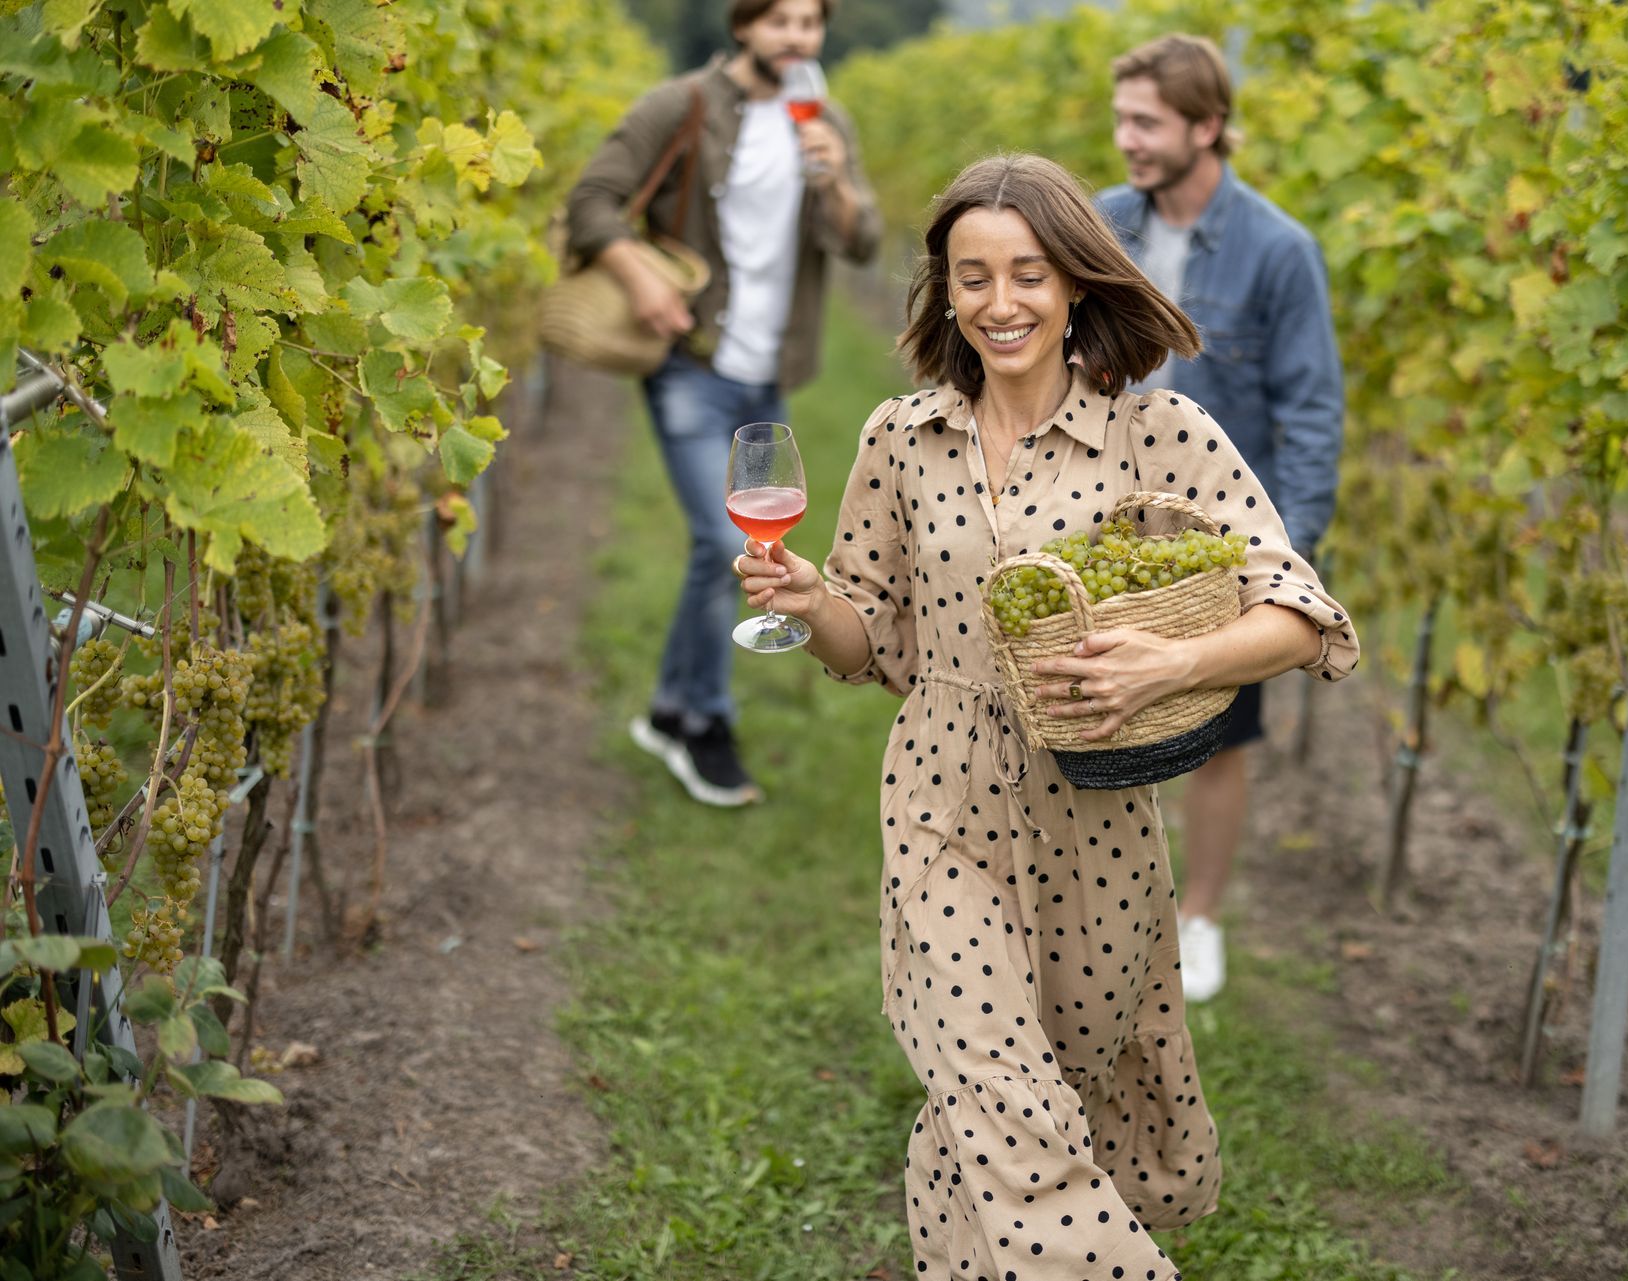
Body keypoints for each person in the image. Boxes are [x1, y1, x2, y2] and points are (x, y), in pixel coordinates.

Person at [735, 153, 1357, 1279]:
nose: (1000, 302)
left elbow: (1306, 617)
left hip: (1099, 817)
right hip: (941, 799)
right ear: (945, 291)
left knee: (1029, 1103)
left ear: (1074, 282)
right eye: (972, 277)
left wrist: (1169, 665)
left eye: (1027, 273)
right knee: (997, 1091)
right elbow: (870, 641)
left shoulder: (1160, 433)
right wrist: (810, 599)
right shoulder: (900, 438)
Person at [566, 0, 882, 807]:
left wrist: (835, 178)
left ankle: (669, 711)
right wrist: (643, 283)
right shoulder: (683, 105)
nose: (798, 38)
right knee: (723, 541)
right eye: (781, 21)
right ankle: (706, 722)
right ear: (743, 25)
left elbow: (862, 239)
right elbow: (593, 201)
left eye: (811, 24)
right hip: (691, 361)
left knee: (724, 544)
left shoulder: (825, 116)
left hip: (764, 374)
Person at [1095, 34, 1346, 1003]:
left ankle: (1195, 919)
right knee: (1102, 713)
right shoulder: (1103, 223)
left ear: (1206, 127)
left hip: (1220, 542)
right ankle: (1111, 903)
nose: (1127, 141)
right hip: (1105, 525)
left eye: (1146, 123)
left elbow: (1311, 409)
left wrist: (1290, 559)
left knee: (1218, 735)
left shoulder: (1280, 250)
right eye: (1122, 119)